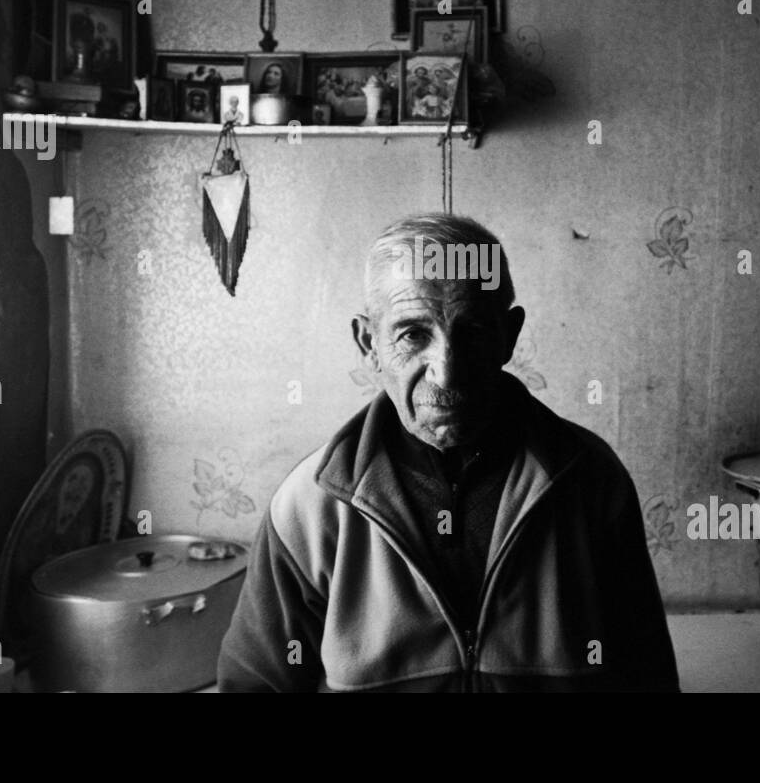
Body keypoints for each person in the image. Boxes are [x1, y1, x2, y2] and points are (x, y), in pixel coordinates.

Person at [218, 213, 680, 692]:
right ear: (368, 343)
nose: (447, 371)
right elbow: (257, 684)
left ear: (510, 335)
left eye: (473, 332)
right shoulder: (310, 508)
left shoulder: (590, 482)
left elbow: (644, 672)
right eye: (413, 334)